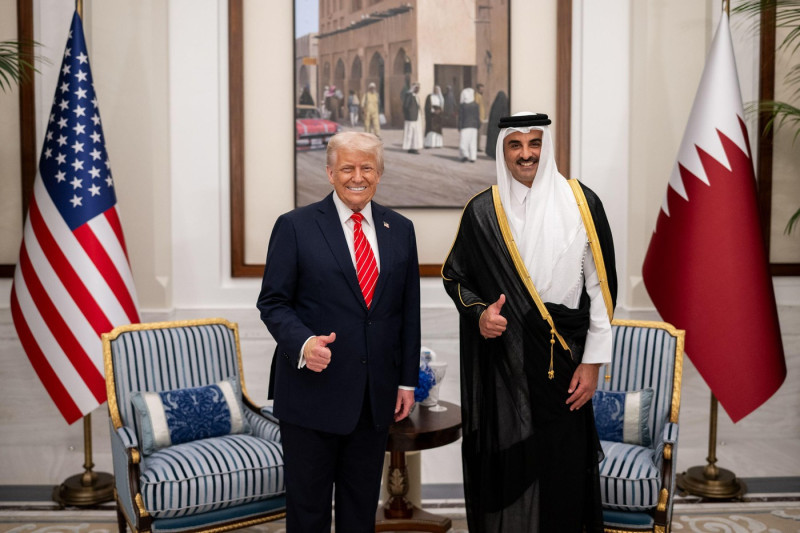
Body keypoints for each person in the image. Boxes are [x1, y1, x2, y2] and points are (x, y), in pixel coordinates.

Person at [441, 112, 617, 533]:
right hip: (505, 365)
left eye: (534, 143)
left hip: (565, 365)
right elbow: (455, 276)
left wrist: (593, 363)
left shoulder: (582, 203)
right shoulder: (483, 210)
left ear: (547, 146)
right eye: (515, 145)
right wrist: (481, 315)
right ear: (502, 150)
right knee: (510, 468)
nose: (526, 154)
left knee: (563, 468)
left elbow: (601, 291)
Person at [257, 131, 421, 532]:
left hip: (372, 399)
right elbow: (273, 302)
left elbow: (407, 313)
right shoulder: (295, 226)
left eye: (367, 167)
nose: (357, 177)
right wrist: (304, 343)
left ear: (379, 173)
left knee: (360, 513)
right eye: (347, 168)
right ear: (330, 173)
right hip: (311, 396)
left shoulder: (400, 229)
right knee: (308, 515)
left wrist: (406, 382)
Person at [458, 87, 480, 162]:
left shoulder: (463, 105)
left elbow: (461, 117)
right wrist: (478, 125)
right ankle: (473, 157)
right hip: (474, 126)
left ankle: (465, 155)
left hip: (465, 126)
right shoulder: (476, 105)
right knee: (473, 142)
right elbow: (477, 116)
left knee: (464, 142)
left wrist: (459, 126)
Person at [485, 90, 509, 159]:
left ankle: (494, 153)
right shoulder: (506, 105)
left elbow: (492, 118)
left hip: (494, 127)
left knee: (494, 141)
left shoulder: (495, 105)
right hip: (502, 127)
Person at [402, 82, 423, 154]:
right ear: (413, 88)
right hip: (411, 118)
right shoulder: (409, 95)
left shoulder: (416, 96)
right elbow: (405, 106)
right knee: (410, 133)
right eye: (417, 88)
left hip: (416, 118)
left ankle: (414, 147)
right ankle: (411, 148)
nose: (418, 90)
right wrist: (409, 114)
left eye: (419, 88)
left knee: (416, 133)